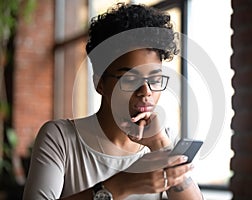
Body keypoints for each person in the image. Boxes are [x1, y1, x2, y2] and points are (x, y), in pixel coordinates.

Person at [23, 3, 203, 200]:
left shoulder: (163, 139)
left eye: (155, 80)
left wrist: (160, 144)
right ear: (99, 83)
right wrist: (121, 185)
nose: (146, 92)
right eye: (130, 79)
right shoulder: (61, 139)